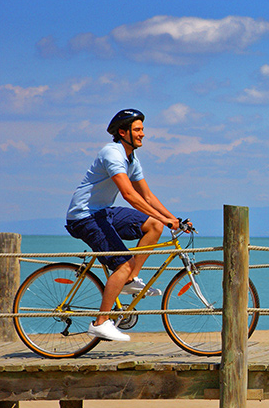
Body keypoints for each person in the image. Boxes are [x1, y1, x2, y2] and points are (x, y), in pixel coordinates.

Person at [65, 109, 184, 343]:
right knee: (123, 266)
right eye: (138, 130)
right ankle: (100, 323)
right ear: (123, 132)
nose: (142, 134)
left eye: (142, 129)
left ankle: (130, 280)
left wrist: (172, 218)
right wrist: (166, 218)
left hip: (104, 212)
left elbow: (147, 196)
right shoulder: (112, 153)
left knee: (154, 226)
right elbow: (129, 194)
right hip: (84, 216)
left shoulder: (132, 159)